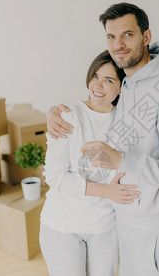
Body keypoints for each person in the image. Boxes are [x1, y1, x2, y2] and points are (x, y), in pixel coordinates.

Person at [48, 2, 159, 276]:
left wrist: (121, 160)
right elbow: (96, 109)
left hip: (152, 227)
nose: (119, 44)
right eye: (111, 37)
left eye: (128, 34)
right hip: (123, 221)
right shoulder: (128, 82)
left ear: (146, 37)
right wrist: (55, 113)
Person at [39, 50, 140, 276]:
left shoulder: (126, 123)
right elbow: (55, 176)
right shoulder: (68, 116)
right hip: (62, 225)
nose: (97, 85)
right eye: (95, 76)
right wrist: (106, 191)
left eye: (108, 80)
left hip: (104, 228)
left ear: (121, 87)